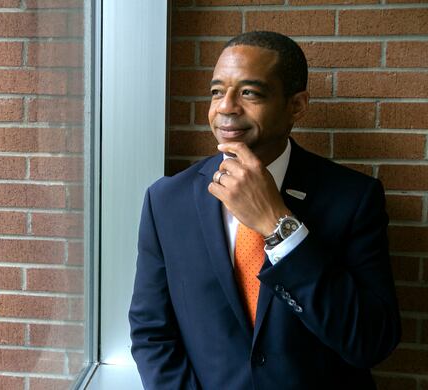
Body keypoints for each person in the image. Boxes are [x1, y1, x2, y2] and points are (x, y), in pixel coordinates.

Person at [129, 31, 400, 390]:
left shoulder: (353, 198)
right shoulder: (167, 200)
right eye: (216, 91)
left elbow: (370, 341)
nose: (225, 106)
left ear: (297, 105)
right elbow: (152, 332)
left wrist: (277, 223)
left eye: (249, 93)